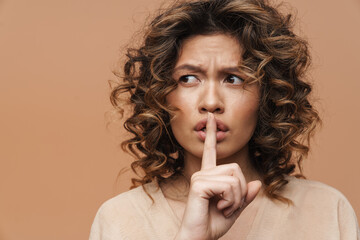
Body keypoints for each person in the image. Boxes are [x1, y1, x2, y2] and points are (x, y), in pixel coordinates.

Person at [89, 0, 360, 239]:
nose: (210, 102)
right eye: (188, 79)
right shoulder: (120, 220)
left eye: (233, 79)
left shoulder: (326, 211)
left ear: (267, 95)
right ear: (161, 95)